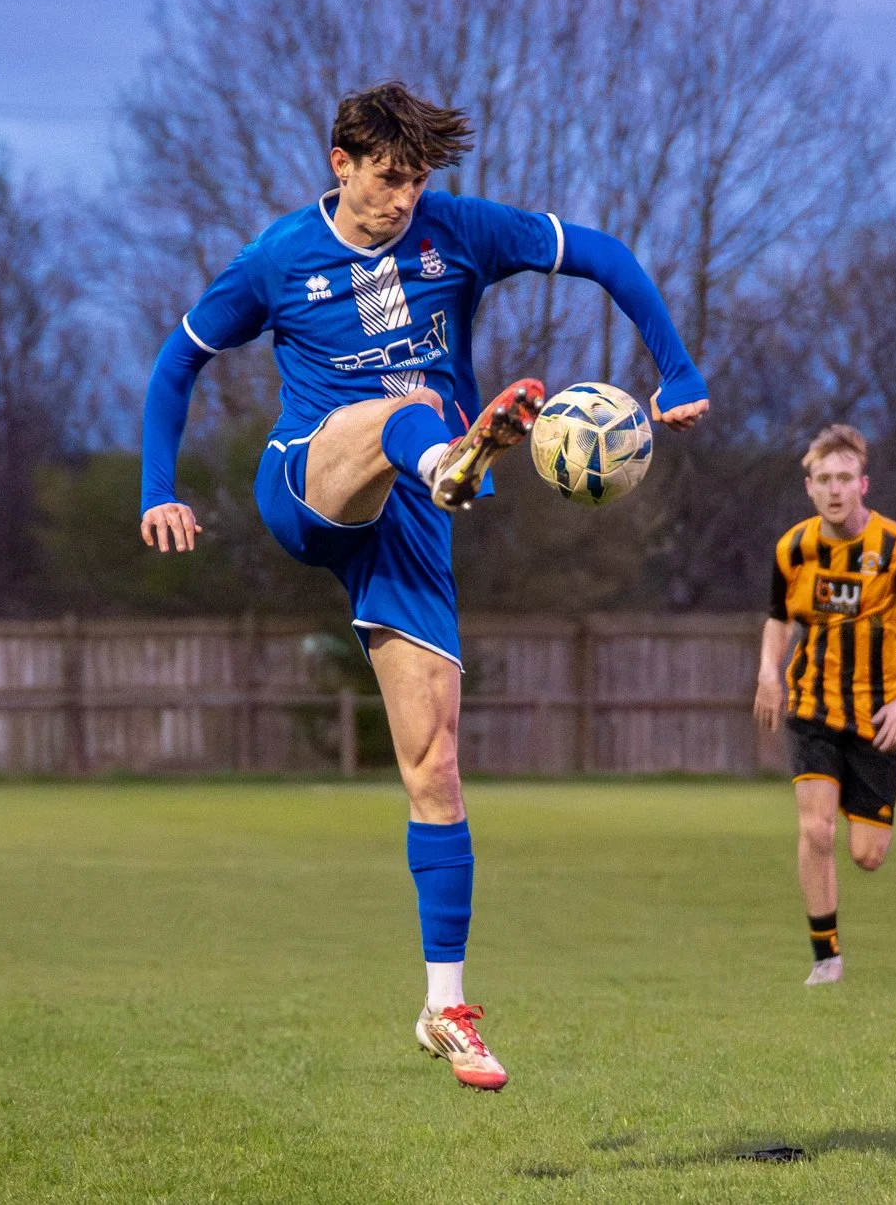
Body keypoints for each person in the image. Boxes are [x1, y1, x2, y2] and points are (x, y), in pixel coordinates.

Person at [138, 82, 709, 1090]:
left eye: (416, 180)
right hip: (312, 473)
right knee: (398, 411)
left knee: (435, 762)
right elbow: (176, 363)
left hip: (410, 524)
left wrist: (675, 366)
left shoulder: (460, 232)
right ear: (340, 163)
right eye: (386, 177)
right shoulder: (277, 259)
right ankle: (454, 456)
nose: (402, 198)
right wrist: (158, 489)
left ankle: (444, 1005)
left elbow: (606, 257)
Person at [753, 426, 896, 986]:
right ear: (809, 487)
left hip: (876, 717)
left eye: (845, 478)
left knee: (867, 854)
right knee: (816, 832)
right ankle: (827, 958)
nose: (836, 489)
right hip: (812, 709)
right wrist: (769, 669)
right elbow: (778, 617)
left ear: (863, 484)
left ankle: (852, 799)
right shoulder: (792, 549)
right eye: (825, 479)